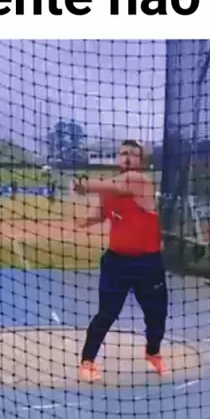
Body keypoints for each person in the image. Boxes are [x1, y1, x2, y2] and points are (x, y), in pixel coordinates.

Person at [72, 139, 168, 383]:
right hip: (116, 263)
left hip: (147, 263)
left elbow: (111, 186)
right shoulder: (110, 188)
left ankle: (153, 352)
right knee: (106, 313)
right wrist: (81, 220)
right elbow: (100, 214)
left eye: (133, 154)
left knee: (156, 315)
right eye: (123, 153)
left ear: (141, 161)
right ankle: (87, 361)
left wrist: (84, 184)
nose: (126, 157)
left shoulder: (139, 181)